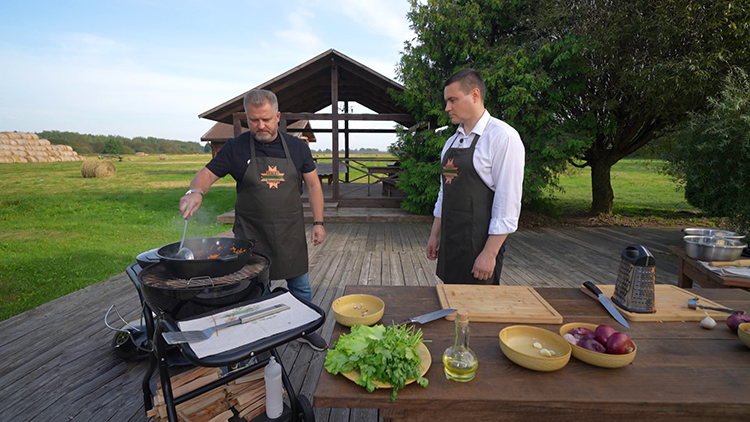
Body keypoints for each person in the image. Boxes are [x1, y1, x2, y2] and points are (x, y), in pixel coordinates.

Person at [179, 89, 328, 350]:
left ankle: (305, 329)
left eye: (267, 119)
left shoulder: (297, 147)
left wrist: (318, 222)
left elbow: (314, 186)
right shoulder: (235, 148)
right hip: (251, 235)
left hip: (289, 232)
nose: (261, 126)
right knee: (258, 291)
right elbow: (206, 174)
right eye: (254, 120)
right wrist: (195, 192)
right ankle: (266, 336)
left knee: (301, 287)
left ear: (278, 117)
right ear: (247, 118)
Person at [426, 69, 525, 285]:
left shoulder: (502, 137)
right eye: (446, 101)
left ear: (475, 95)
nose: (447, 108)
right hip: (451, 245)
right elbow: (445, 192)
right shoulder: (451, 142)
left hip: (480, 247)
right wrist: (435, 235)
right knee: (450, 305)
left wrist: (489, 254)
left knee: (478, 312)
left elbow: (507, 204)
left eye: (453, 100)